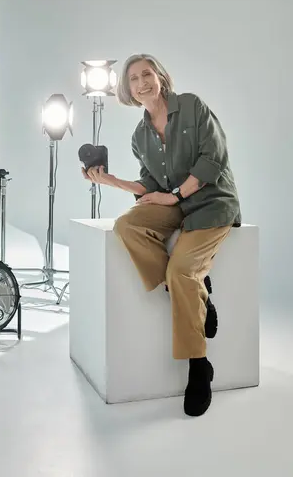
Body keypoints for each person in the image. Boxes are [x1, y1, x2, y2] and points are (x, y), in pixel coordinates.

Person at [82, 53, 241, 417]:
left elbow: (213, 158)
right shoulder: (140, 135)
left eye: (147, 74)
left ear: (160, 76)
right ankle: (195, 293)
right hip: (176, 204)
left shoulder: (192, 107)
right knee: (127, 226)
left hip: (212, 202)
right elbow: (152, 184)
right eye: (133, 78)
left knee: (181, 270)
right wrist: (110, 181)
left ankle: (199, 366)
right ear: (127, 89)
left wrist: (176, 195)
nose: (141, 83)